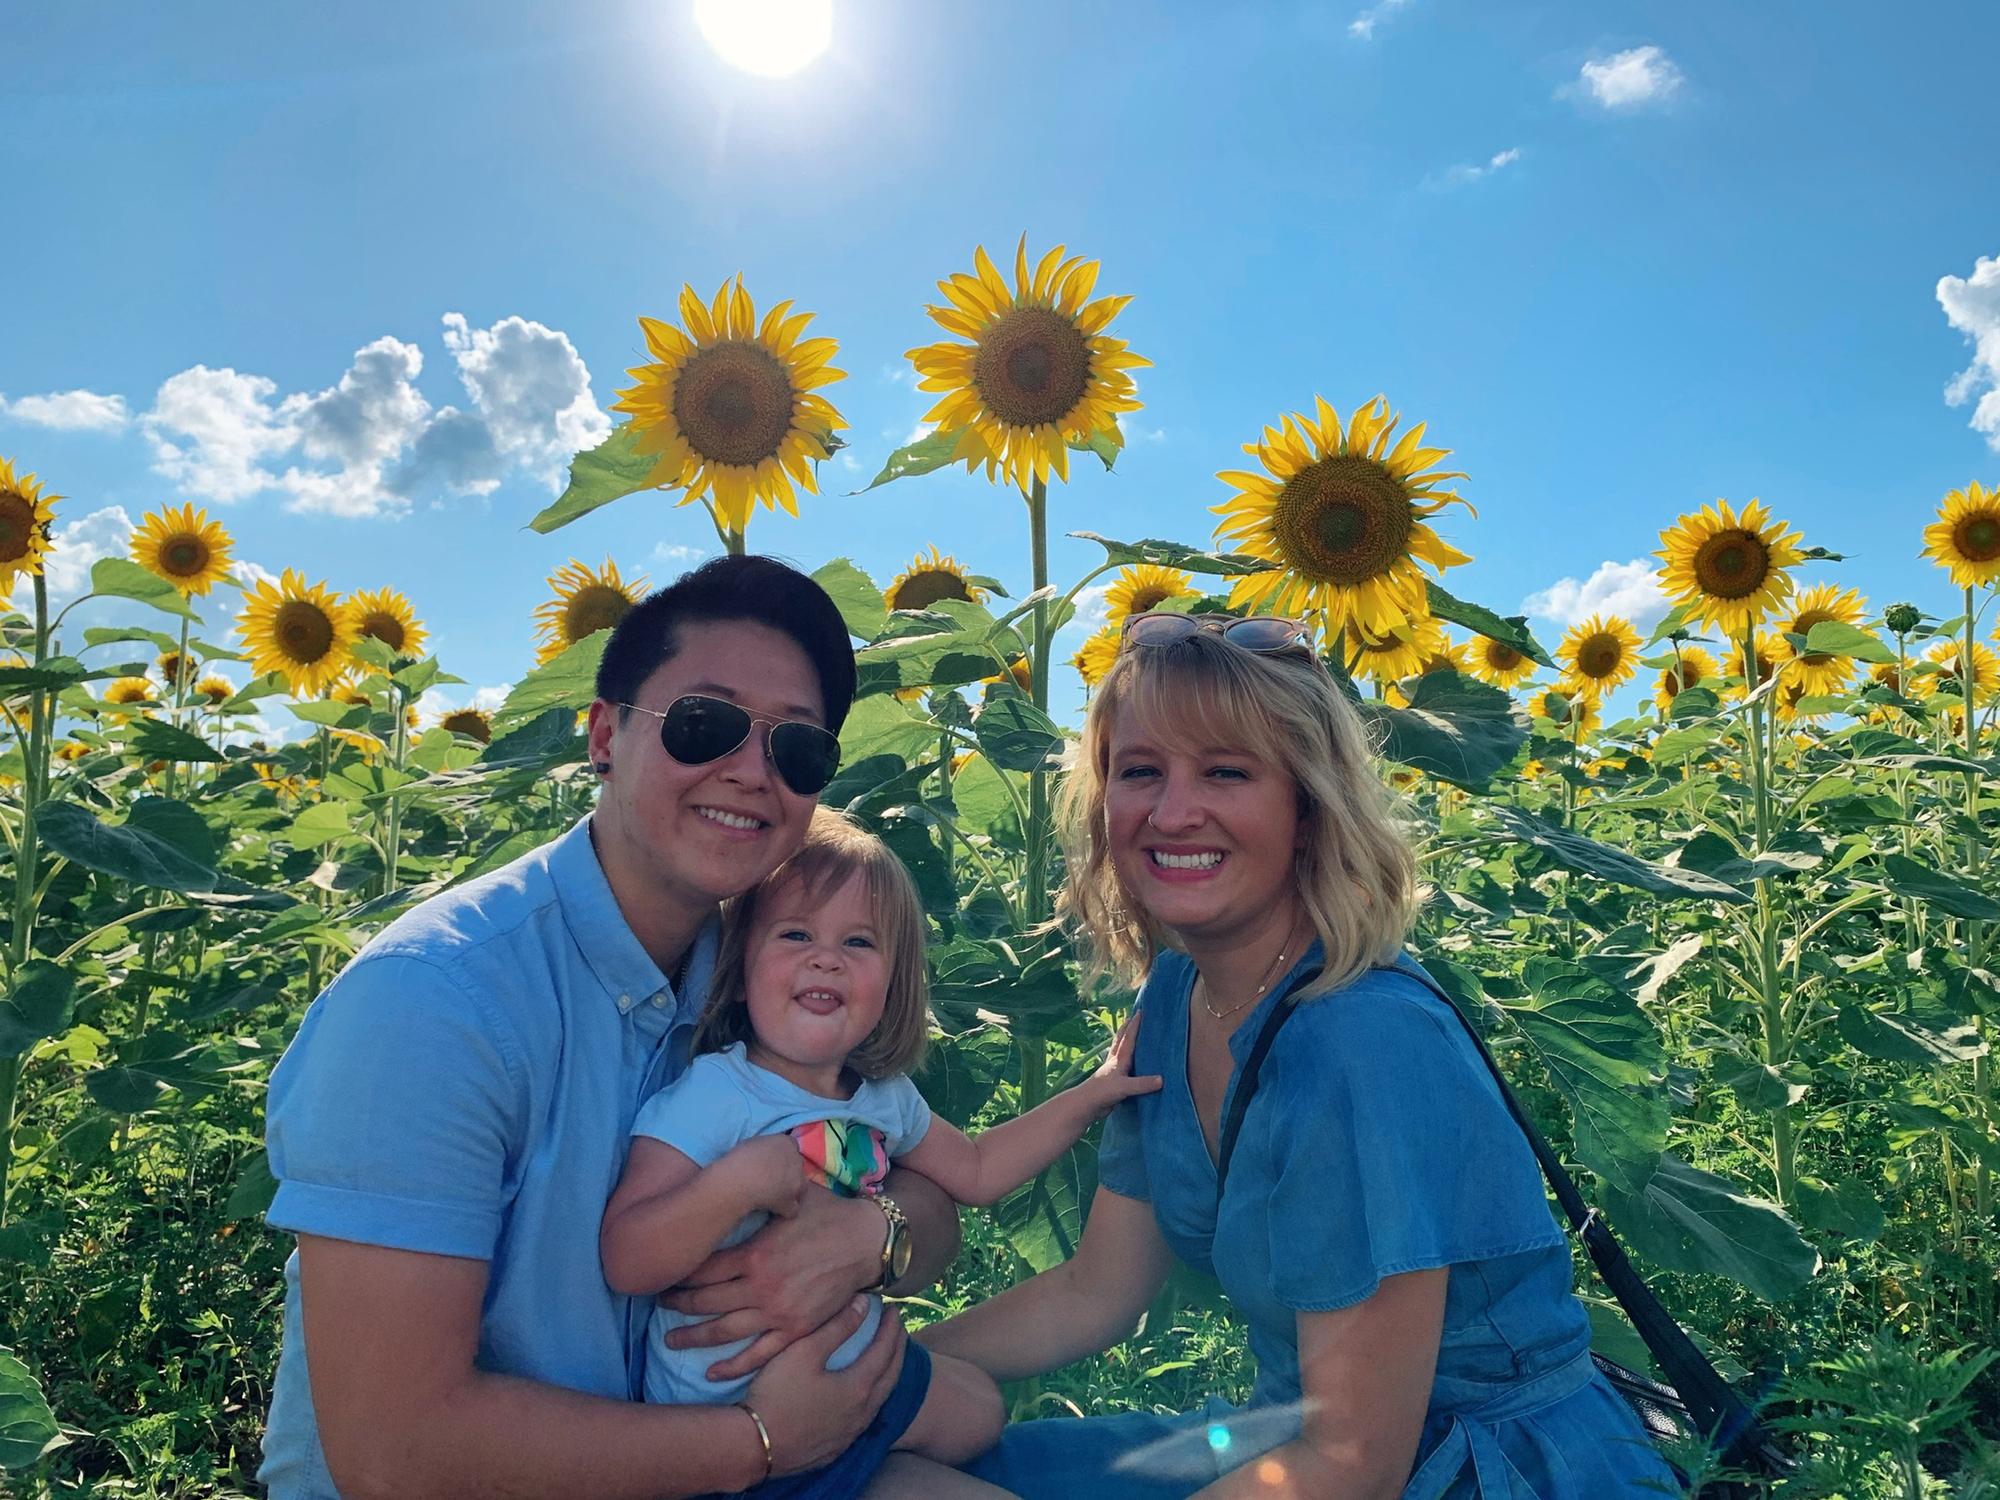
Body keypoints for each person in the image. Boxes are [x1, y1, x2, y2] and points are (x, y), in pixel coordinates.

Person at [926, 611, 1681, 1500]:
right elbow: (1098, 1289)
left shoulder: (1360, 1040)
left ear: (1308, 806)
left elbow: (1352, 1464)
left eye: (1225, 771)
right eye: (1140, 771)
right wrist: (876, 1375)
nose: (1171, 811)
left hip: (1469, 1470)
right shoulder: (1176, 995)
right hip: (1286, 1439)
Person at [259, 556, 963, 1500]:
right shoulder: (434, 1005)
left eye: (798, 749)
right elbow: (395, 1450)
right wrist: (758, 1440)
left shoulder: (769, 979)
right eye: (703, 724)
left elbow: (932, 1198)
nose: (751, 772)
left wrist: (870, 1234)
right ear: (602, 735)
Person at [602, 808, 1160, 1498]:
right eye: (795, 934)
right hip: (732, 1404)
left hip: (851, 1365)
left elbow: (979, 1171)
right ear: (740, 968)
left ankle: (863, 1460)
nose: (825, 957)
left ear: (894, 983)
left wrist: (1095, 1093)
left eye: (858, 943)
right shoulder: (717, 1095)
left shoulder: (882, 1098)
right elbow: (627, 1256)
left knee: (981, 1413)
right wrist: (737, 1182)